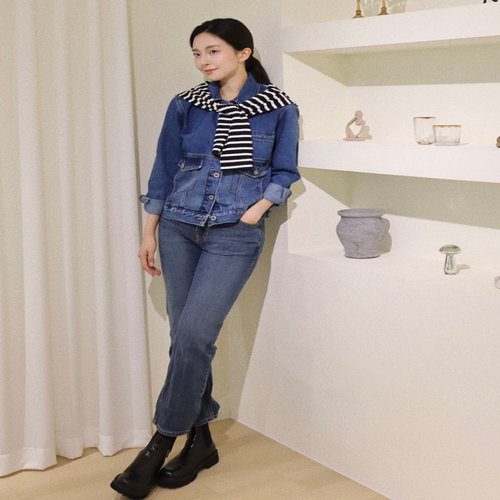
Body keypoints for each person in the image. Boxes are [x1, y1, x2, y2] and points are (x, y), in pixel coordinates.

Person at [110, 18, 300, 499]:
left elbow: (284, 171)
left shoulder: (278, 108)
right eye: (197, 53)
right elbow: (163, 169)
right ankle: (201, 441)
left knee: (194, 335)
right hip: (177, 227)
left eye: (213, 51)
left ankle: (161, 440)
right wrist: (149, 231)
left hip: (234, 234)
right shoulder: (186, 105)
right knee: (186, 338)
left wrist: (255, 211)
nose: (203, 61)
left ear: (243, 52)